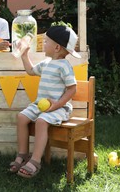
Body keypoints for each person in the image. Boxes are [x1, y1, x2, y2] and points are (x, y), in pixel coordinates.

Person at [9, 25, 81, 178]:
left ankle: (35, 161)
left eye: (46, 42)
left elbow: (72, 89)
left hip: (60, 108)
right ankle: (23, 154)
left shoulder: (65, 66)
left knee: (41, 121)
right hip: (41, 104)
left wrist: (57, 104)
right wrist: (24, 55)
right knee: (22, 117)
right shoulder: (46, 63)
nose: (43, 44)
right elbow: (30, 71)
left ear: (56, 47)